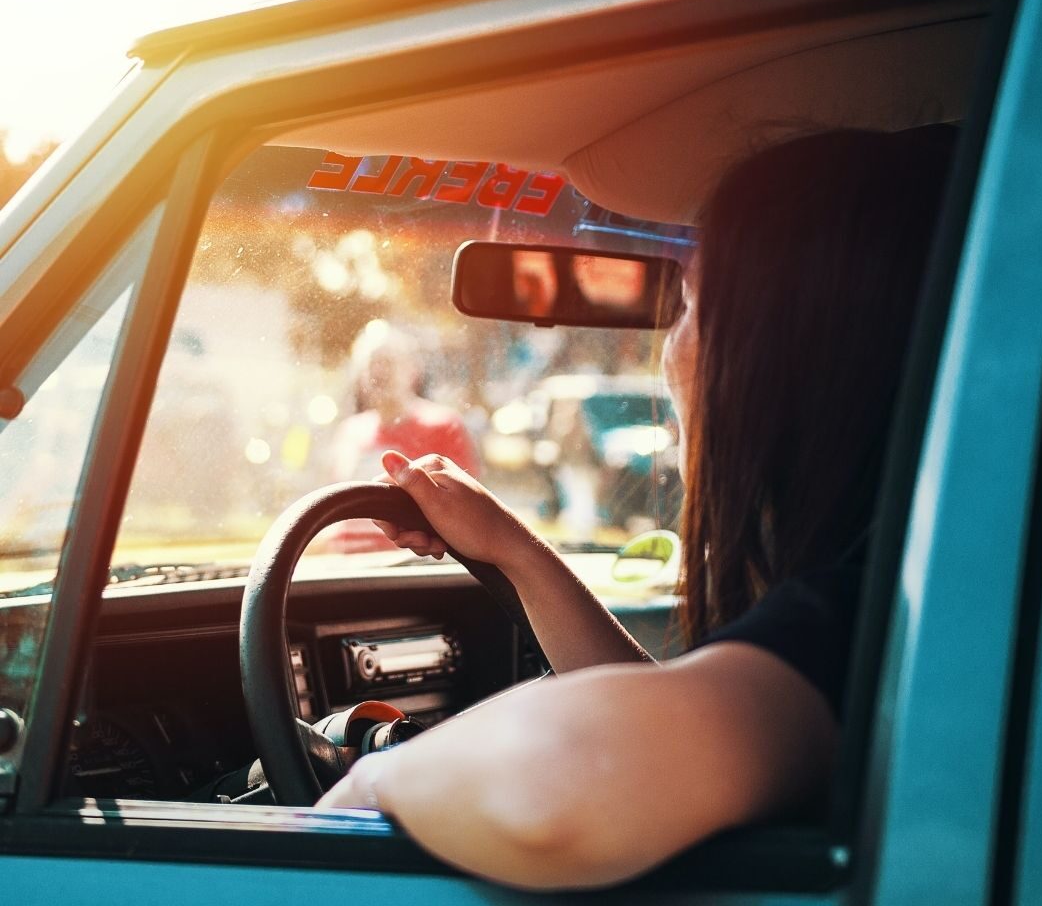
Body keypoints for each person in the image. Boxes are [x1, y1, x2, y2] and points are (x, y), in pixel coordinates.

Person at [316, 128, 953, 889]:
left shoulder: (853, 615)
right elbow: (674, 728)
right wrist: (513, 549)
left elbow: (561, 783)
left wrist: (369, 783)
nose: (667, 349)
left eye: (686, 304)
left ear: (779, 356)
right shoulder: (916, 583)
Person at [323, 322, 482, 551]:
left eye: (387, 362)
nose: (379, 371)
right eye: (371, 364)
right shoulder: (351, 431)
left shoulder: (443, 425)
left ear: (413, 369)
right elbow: (337, 512)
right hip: (348, 567)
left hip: (408, 568)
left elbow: (469, 512)